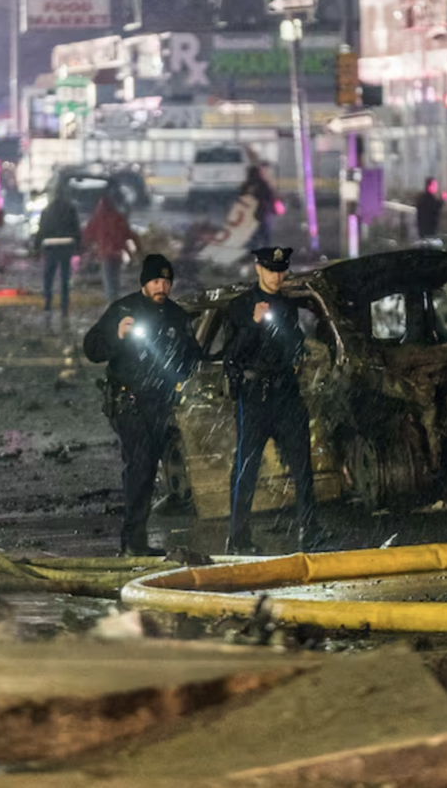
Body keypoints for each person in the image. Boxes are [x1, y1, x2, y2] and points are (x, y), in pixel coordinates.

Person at [83, 254, 199, 557]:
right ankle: (133, 541)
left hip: (160, 404)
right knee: (143, 462)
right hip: (127, 402)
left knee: (142, 469)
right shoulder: (123, 309)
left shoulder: (176, 316)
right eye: (155, 281)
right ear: (144, 283)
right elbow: (91, 348)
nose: (162, 287)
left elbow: (192, 356)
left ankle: (134, 538)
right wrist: (117, 335)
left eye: (166, 281)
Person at [224, 246, 324, 555]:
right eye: (271, 270)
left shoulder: (288, 305)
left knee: (302, 465)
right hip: (255, 397)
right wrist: (253, 324)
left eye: (281, 270)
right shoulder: (241, 306)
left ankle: (309, 532)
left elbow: (293, 344)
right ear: (258, 269)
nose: (277, 276)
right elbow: (230, 355)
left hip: (286, 393)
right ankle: (238, 538)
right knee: (247, 468)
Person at [81, 183, 140, 303]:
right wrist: (137, 250)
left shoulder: (98, 218)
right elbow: (128, 234)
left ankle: (112, 303)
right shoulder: (118, 217)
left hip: (105, 252)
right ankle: (115, 301)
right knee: (115, 278)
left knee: (109, 280)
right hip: (117, 252)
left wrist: (85, 249)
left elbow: (88, 235)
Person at [36, 188, 81, 315]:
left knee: (49, 276)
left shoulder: (47, 210)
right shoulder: (71, 209)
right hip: (66, 247)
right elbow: (76, 229)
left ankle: (48, 301)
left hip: (50, 248)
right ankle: (64, 304)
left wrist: (36, 247)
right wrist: (79, 246)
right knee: (65, 277)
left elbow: (41, 230)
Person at [242, 164, 279, 249]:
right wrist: (273, 209)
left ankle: (251, 251)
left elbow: (241, 198)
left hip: (250, 215)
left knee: (252, 235)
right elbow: (270, 197)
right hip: (263, 213)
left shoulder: (247, 185)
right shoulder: (263, 184)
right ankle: (265, 250)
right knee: (265, 234)